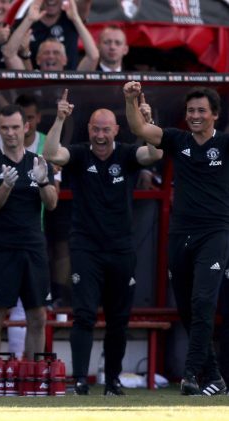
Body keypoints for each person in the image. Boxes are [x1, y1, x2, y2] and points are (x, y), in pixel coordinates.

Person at [43, 88, 162, 396]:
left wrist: (149, 122)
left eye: (106, 129)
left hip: (121, 248)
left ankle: (112, 380)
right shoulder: (81, 154)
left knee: (118, 319)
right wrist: (59, 119)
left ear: (116, 131)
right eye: (95, 129)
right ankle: (80, 380)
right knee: (83, 314)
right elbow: (52, 154)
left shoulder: (126, 154)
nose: (100, 135)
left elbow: (155, 153)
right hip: (86, 247)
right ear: (88, 130)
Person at [124, 81, 229, 396]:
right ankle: (215, 377)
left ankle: (191, 375)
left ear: (215, 115)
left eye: (201, 111)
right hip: (181, 233)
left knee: (203, 302)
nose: (195, 115)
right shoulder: (177, 139)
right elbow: (141, 128)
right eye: (191, 110)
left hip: (215, 232)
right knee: (186, 306)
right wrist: (130, 99)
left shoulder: (225, 144)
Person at [0, 104, 57, 362]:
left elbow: (52, 203)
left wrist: (43, 181)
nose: (10, 133)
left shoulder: (39, 162)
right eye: (5, 128)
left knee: (37, 316)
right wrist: (6, 186)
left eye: (15, 127)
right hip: (2, 249)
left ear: (26, 127)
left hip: (34, 247)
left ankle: (32, 377)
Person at [2, 0, 98, 72]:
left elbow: (93, 57)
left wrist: (76, 18)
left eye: (56, 53)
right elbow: (8, 54)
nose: (51, 57)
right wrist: (29, 19)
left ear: (65, 60)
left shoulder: (73, 80)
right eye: (46, 53)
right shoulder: (31, 81)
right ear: (38, 59)